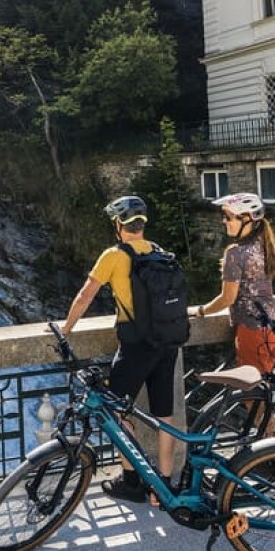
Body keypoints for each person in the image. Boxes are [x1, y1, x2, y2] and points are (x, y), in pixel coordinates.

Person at [59, 194, 185, 503]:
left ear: (118, 224)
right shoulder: (157, 252)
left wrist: (65, 329)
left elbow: (86, 295)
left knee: (116, 410)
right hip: (166, 343)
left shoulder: (114, 256)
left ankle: (131, 482)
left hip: (136, 346)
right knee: (165, 416)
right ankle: (164, 484)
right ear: (142, 225)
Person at [189, 192, 275, 373]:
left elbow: (227, 298)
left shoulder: (235, 254)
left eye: (228, 217)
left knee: (251, 386)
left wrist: (200, 311)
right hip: (272, 328)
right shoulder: (266, 246)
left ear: (246, 219)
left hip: (250, 331)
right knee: (267, 383)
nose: (224, 221)